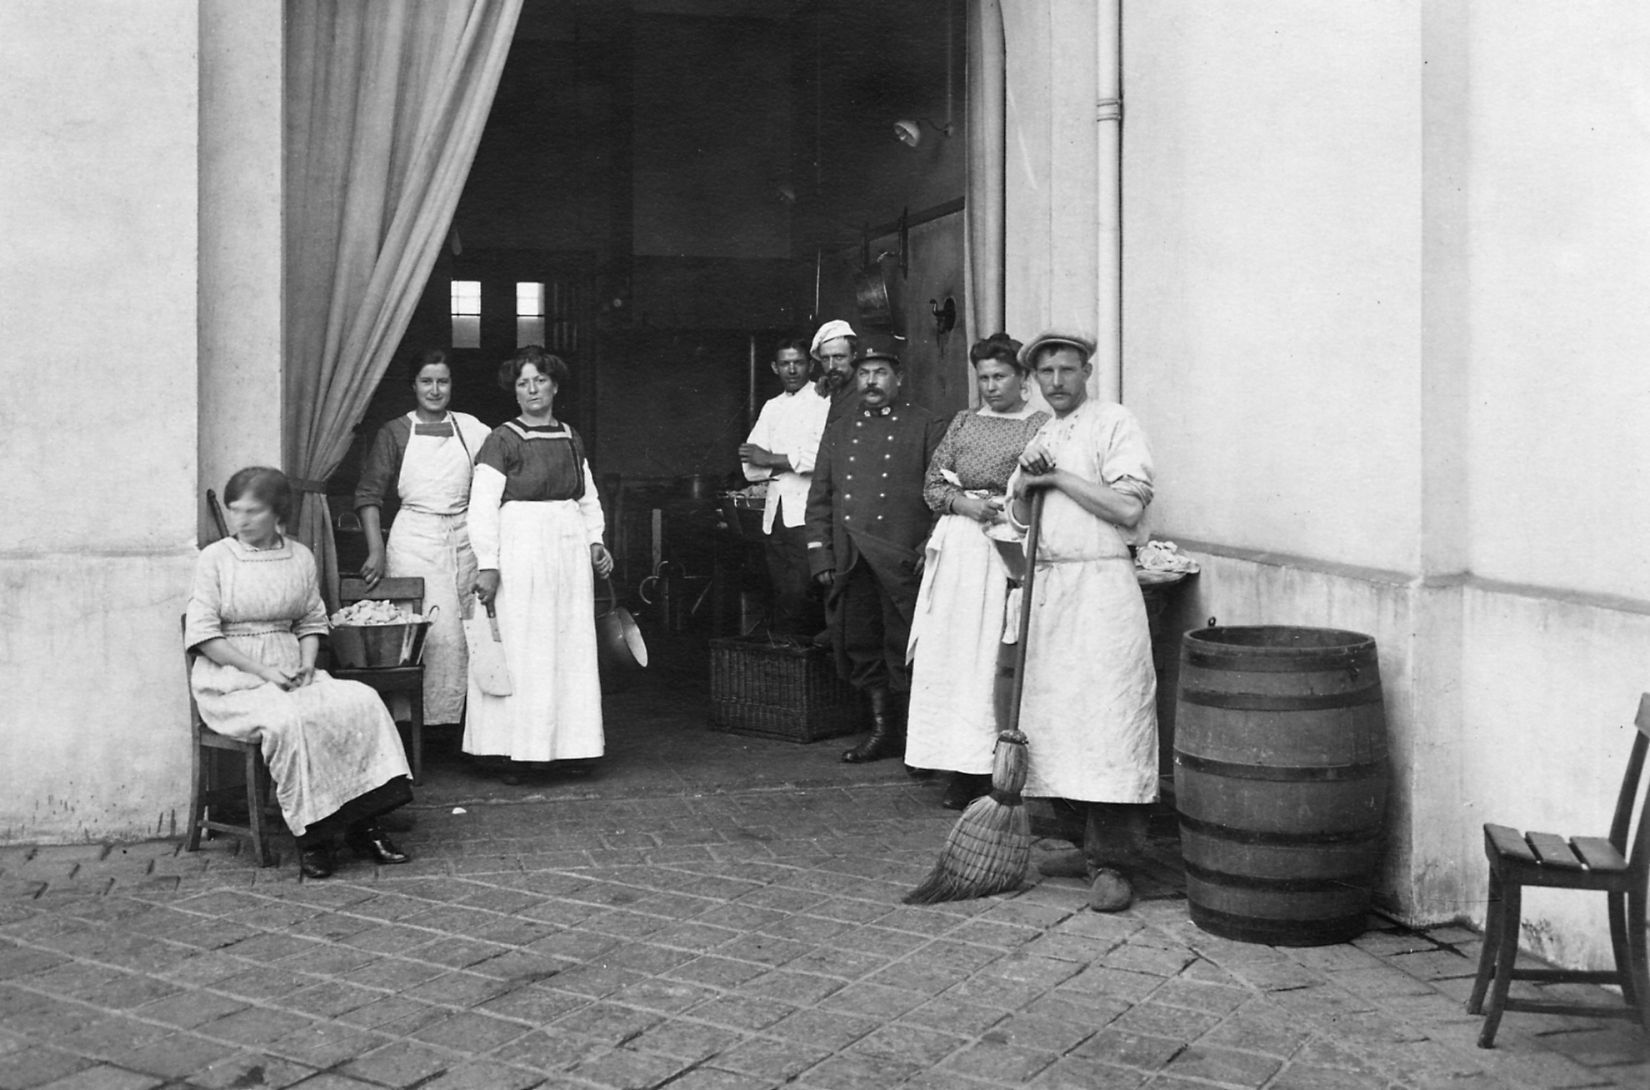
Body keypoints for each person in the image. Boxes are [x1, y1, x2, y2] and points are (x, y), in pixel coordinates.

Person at [185, 467, 413, 880]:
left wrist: (307, 663)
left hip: (292, 670)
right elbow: (203, 636)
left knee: (359, 701)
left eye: (253, 511)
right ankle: (315, 839)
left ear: (277, 513)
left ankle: (364, 824)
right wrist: (262, 671)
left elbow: (311, 621)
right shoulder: (216, 558)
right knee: (290, 721)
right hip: (231, 680)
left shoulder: (300, 556)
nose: (242, 521)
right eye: (236, 511)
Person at [1008, 330, 1158, 912]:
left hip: (1102, 588)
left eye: (1067, 371)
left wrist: (1057, 478)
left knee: (1111, 723)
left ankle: (1116, 861)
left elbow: (1127, 506)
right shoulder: (1043, 432)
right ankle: (1081, 844)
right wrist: (1025, 480)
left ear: (1086, 370)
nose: (1056, 383)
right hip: (1051, 588)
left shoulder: (1114, 422)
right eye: (1045, 374)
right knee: (1057, 722)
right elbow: (1020, 517)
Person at [906, 333, 1049, 809]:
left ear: (1023, 378)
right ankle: (956, 765)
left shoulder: (1039, 426)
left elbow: (1038, 488)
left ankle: (995, 767)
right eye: (983, 377)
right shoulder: (965, 423)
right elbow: (931, 483)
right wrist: (963, 502)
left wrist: (1002, 508)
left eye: (1000, 376)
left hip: (1006, 545)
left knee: (993, 655)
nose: (990, 386)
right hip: (960, 547)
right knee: (951, 652)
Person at [467, 346, 614, 781]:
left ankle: (569, 748)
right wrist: (488, 564)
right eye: (523, 382)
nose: (532, 389)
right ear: (514, 391)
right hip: (521, 551)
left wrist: (595, 542)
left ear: (554, 385)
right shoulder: (501, 439)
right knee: (524, 646)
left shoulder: (571, 436)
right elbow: (481, 508)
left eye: (540, 380)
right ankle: (517, 750)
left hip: (566, 553)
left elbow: (586, 497)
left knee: (568, 645)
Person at [805, 348, 947, 764]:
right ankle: (882, 731)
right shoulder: (840, 430)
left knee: (906, 645)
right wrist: (822, 556)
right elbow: (820, 499)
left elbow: (942, 494)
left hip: (903, 557)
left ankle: (917, 742)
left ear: (897, 379)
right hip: (852, 557)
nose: (871, 381)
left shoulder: (925, 425)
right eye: (864, 372)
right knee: (860, 643)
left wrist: (929, 546)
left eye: (880, 372)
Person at [353, 348, 492, 729]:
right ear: (413, 385)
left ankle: (467, 729)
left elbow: (496, 483)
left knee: (469, 632)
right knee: (430, 634)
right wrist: (376, 551)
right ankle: (418, 728)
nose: (435, 389)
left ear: (452, 385)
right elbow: (368, 495)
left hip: (465, 539)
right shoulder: (395, 432)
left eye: (442, 381)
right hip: (414, 539)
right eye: (427, 381)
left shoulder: (472, 429)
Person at [738, 336, 831, 637]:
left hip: (808, 514)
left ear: (810, 365)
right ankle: (786, 665)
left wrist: (770, 458)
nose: (792, 370)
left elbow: (820, 459)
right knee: (782, 593)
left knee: (801, 593)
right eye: (785, 363)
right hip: (775, 516)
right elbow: (750, 467)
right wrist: (782, 460)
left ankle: (801, 661)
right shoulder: (771, 407)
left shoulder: (822, 401)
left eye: (799, 363)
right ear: (774, 368)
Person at [810, 318, 862, 422]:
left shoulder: (864, 392)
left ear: (854, 356)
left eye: (838, 357)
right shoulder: (821, 391)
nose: (831, 366)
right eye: (825, 359)